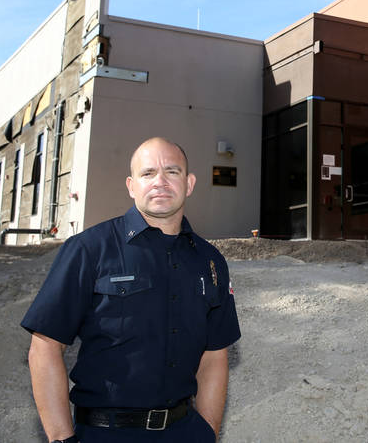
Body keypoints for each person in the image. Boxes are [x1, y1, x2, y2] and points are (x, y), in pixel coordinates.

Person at [22, 137, 241, 442]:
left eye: (172, 172)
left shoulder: (210, 261)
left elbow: (215, 356)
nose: (160, 182)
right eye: (148, 173)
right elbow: (45, 346)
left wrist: (207, 432)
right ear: (131, 185)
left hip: (185, 431)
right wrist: (61, 438)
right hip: (105, 434)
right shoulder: (89, 249)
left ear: (189, 184)